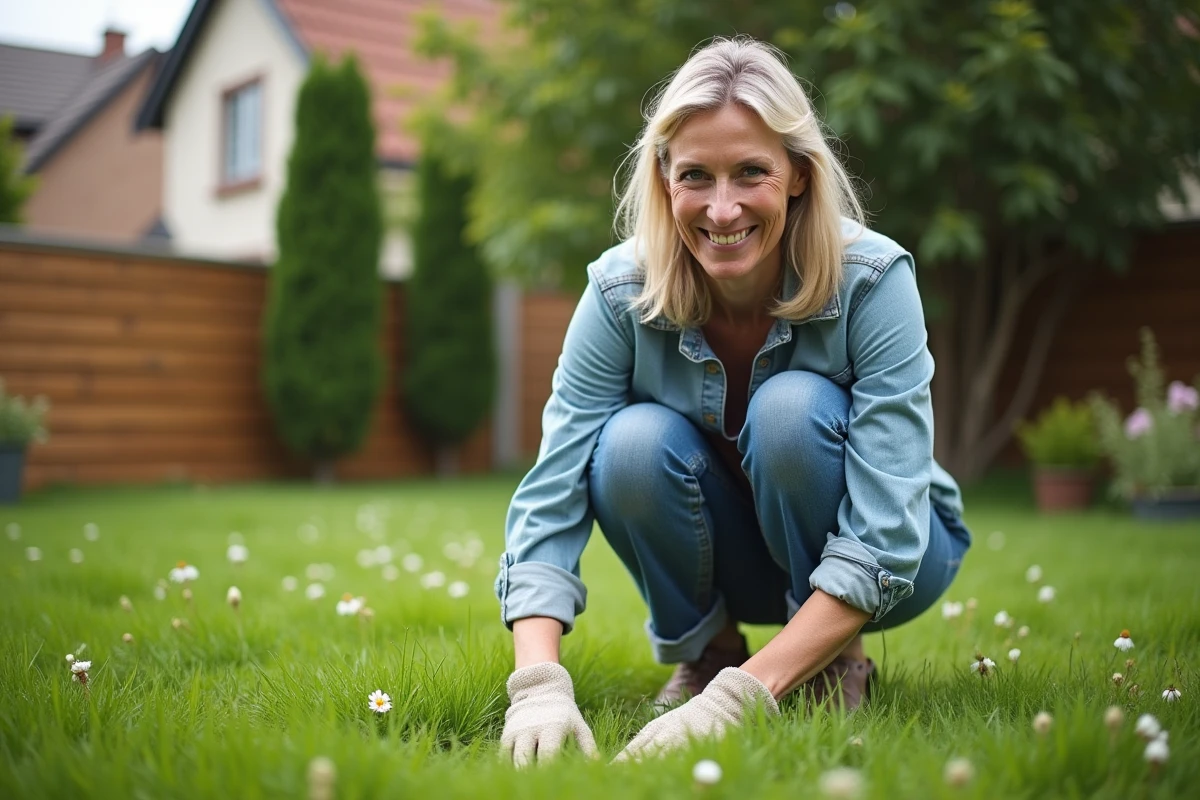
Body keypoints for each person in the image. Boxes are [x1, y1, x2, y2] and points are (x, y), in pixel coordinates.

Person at [495, 36, 971, 766]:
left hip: (898, 557)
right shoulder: (620, 292)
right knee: (627, 445)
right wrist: (538, 684)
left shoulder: (874, 282)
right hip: (730, 556)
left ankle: (823, 659)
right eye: (696, 176)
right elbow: (551, 491)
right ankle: (710, 655)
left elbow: (886, 535)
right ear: (664, 180)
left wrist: (743, 701)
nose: (722, 210)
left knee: (788, 412)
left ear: (799, 177)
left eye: (751, 172)